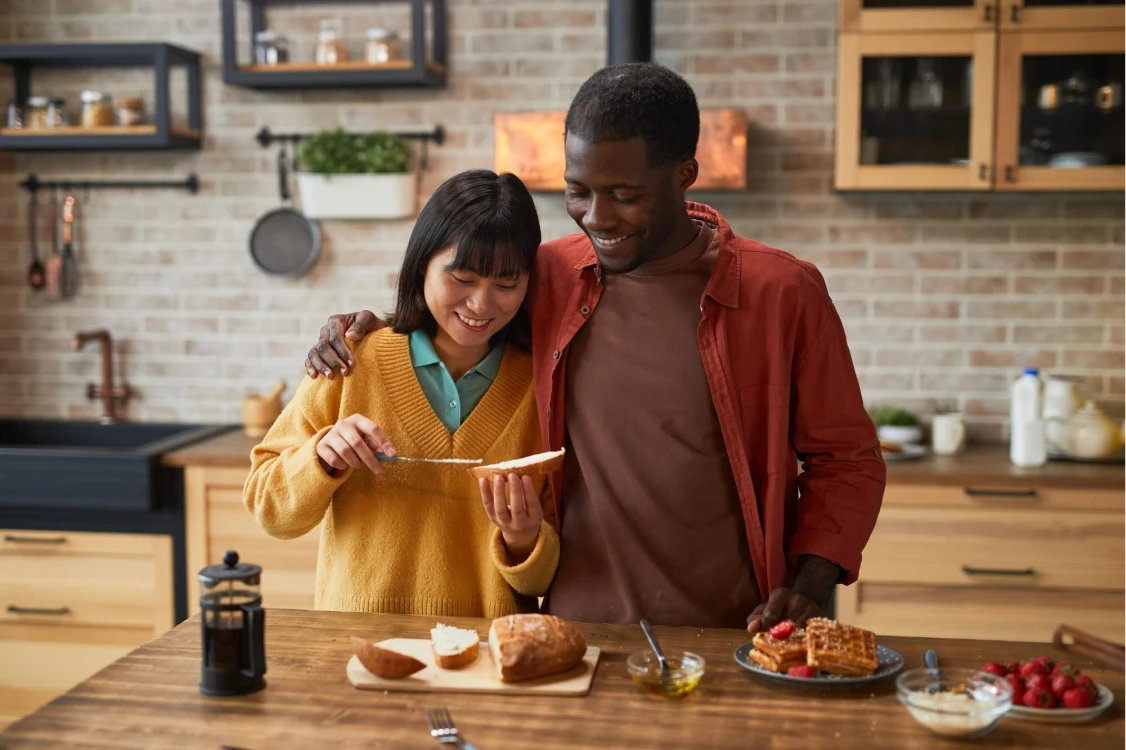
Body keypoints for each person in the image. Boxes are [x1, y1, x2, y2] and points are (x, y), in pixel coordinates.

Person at [303, 64, 886, 631]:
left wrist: (811, 584)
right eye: (577, 191)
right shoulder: (552, 273)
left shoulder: (782, 291)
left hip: (735, 627)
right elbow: (468, 309)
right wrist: (371, 325)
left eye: (624, 195)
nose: (597, 218)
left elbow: (847, 460)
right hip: (572, 628)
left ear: (685, 174)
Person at [245, 169, 561, 618]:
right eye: (463, 278)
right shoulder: (352, 361)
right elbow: (268, 509)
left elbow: (542, 580)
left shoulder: (542, 387)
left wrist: (524, 538)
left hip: (487, 661)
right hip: (358, 649)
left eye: (507, 285)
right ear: (421, 265)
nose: (482, 304)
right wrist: (321, 457)